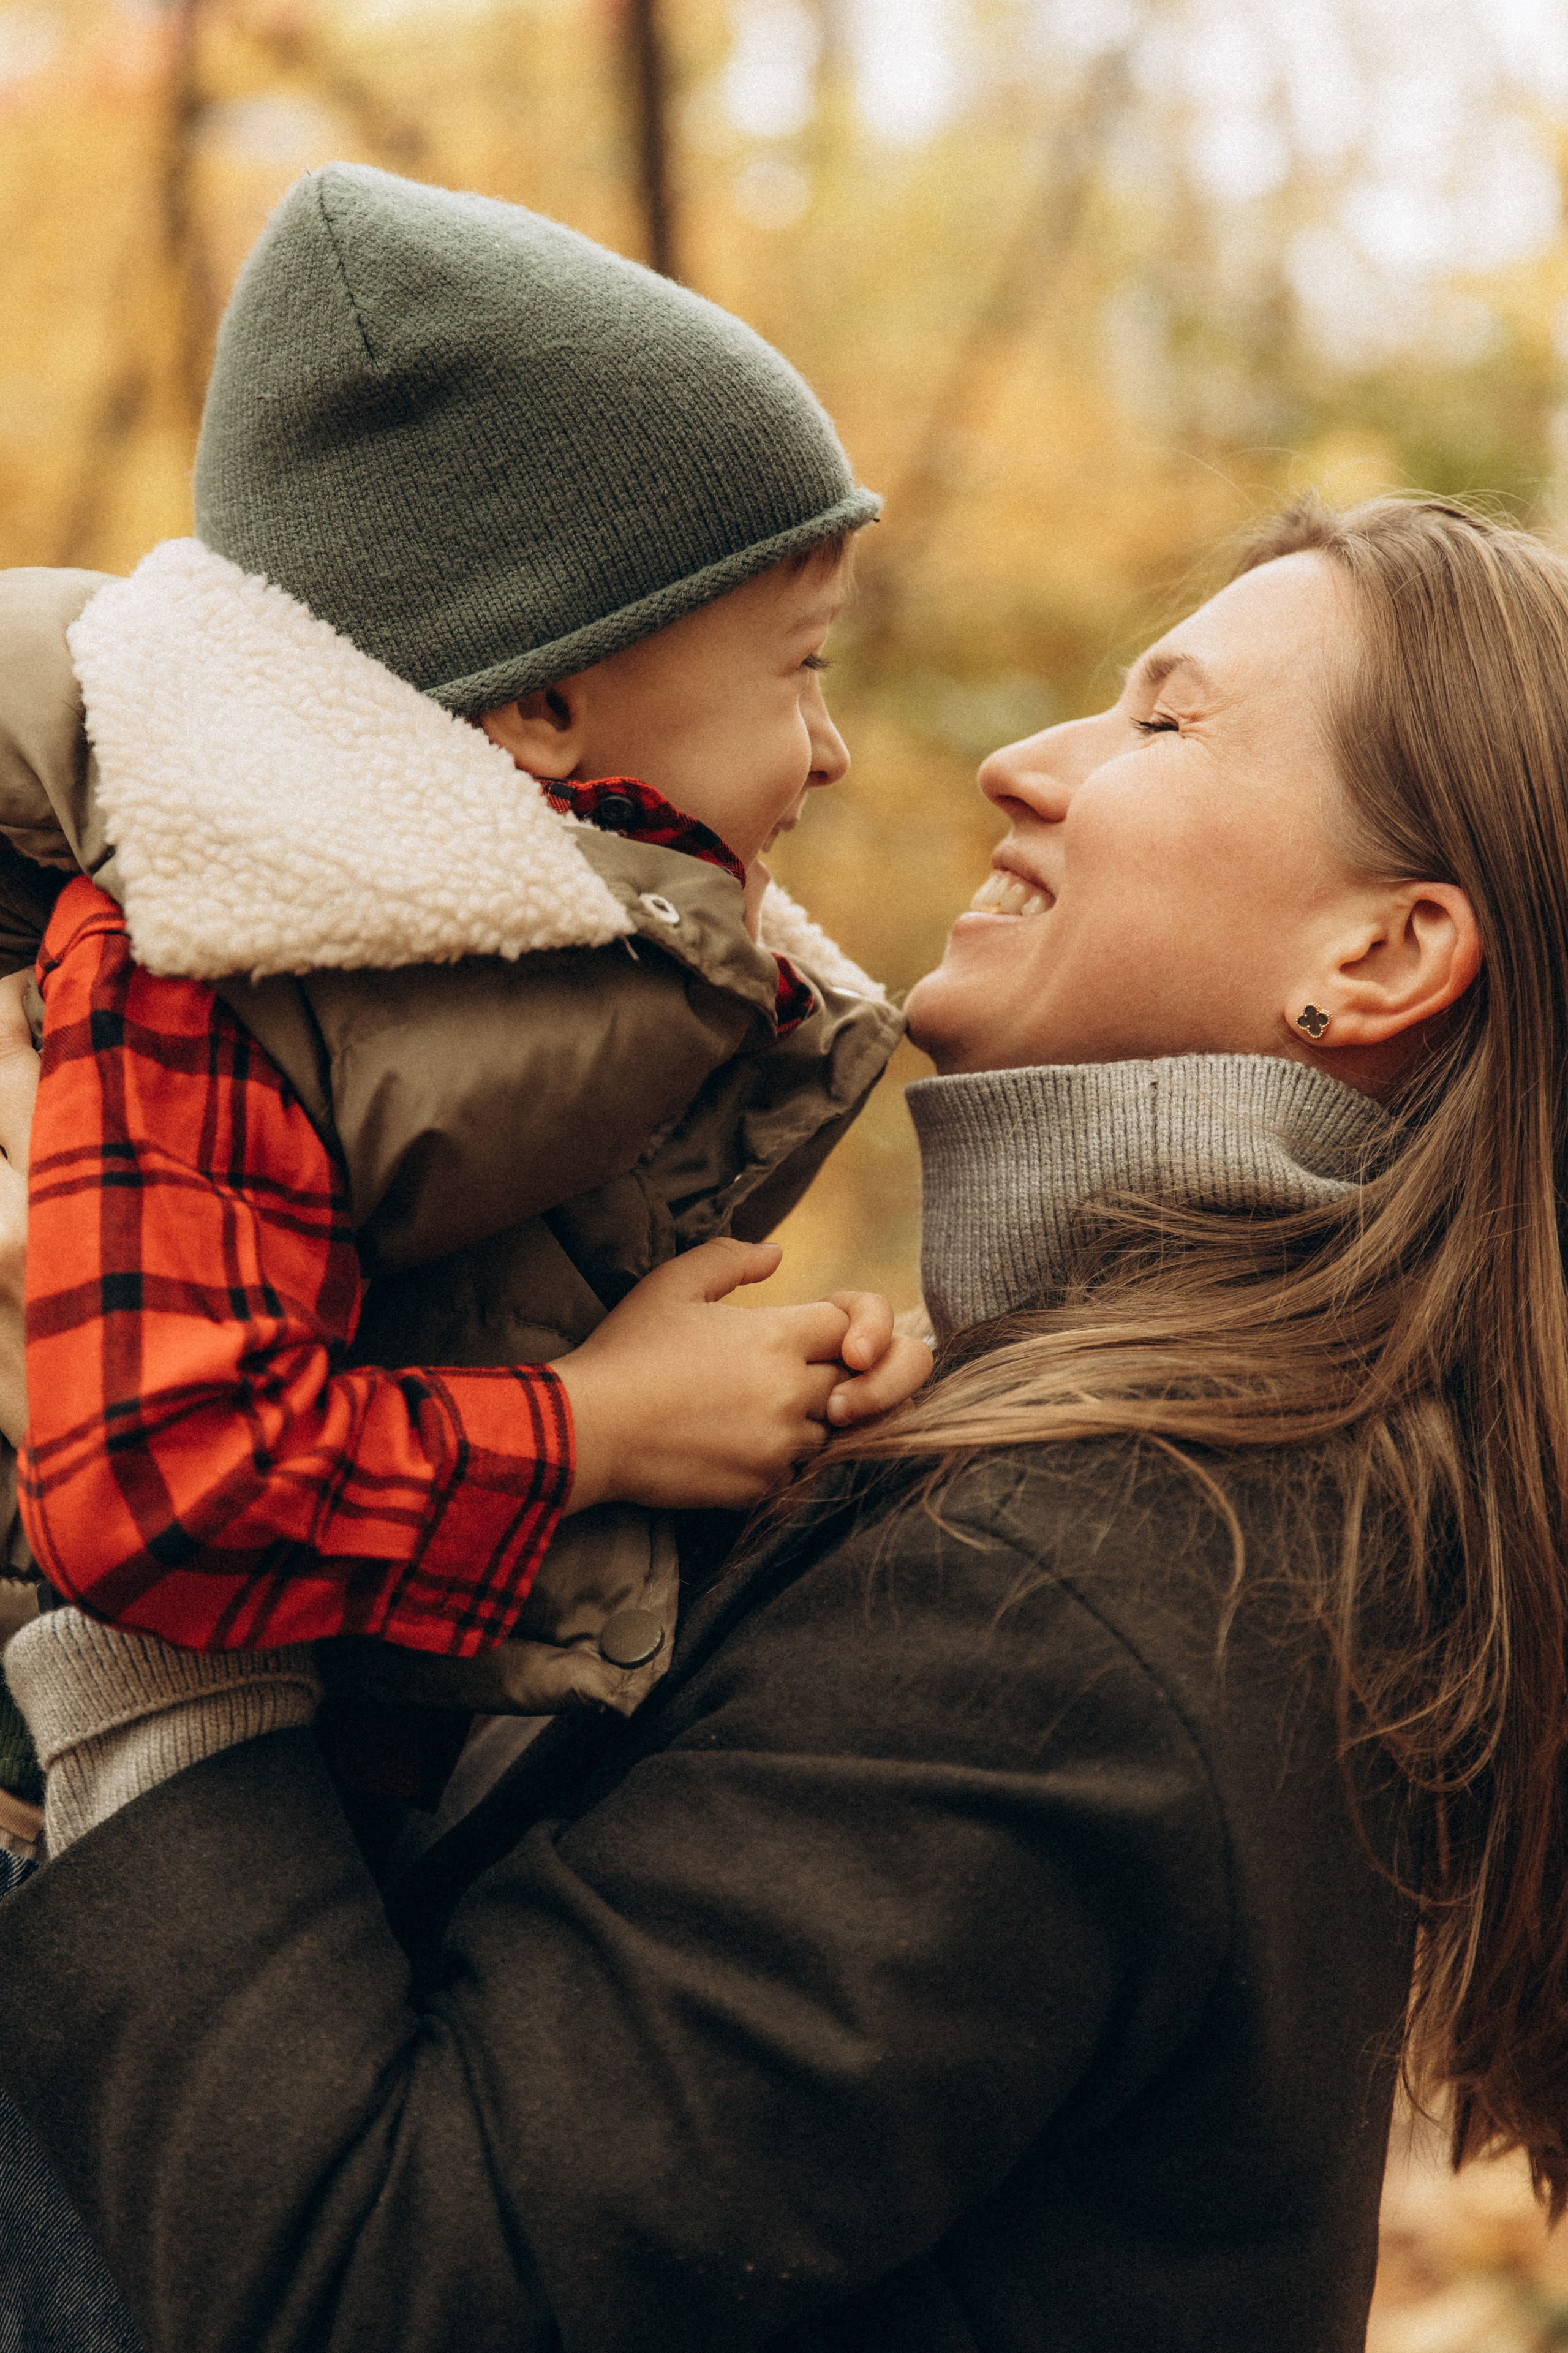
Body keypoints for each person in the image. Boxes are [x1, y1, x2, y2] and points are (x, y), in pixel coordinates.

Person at [6, 491, 1568, 2353]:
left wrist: (134, 1545)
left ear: (1385, 958)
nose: (1020, 763)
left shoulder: (1083, 1593)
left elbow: (388, 2276)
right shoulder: (1134, 1476)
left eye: (1163, 722)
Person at [0, 164, 922, 1841]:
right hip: (79, 1872)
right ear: (548, 704)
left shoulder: (488, 955)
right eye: (801, 669)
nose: (836, 749)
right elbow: (163, 1486)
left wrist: (758, 1393)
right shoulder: (214, 946)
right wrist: (604, 1428)